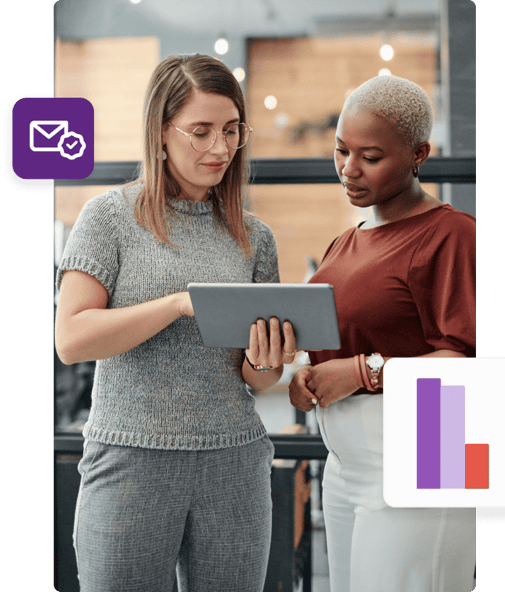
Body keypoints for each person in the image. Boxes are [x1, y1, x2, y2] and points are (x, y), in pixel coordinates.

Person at [55, 54, 296, 592]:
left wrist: (266, 358)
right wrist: (178, 304)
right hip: (129, 459)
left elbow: (257, 379)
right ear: (161, 131)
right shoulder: (109, 218)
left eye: (232, 131)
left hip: (234, 462)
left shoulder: (254, 236)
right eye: (201, 131)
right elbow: (71, 339)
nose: (220, 148)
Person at [289, 75, 476, 592]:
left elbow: (470, 364)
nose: (349, 169)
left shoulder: (452, 234)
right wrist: (307, 378)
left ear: (419, 153)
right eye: (341, 150)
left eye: (370, 157)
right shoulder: (345, 242)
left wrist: (360, 372)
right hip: (345, 462)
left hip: (427, 447)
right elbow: (341, 342)